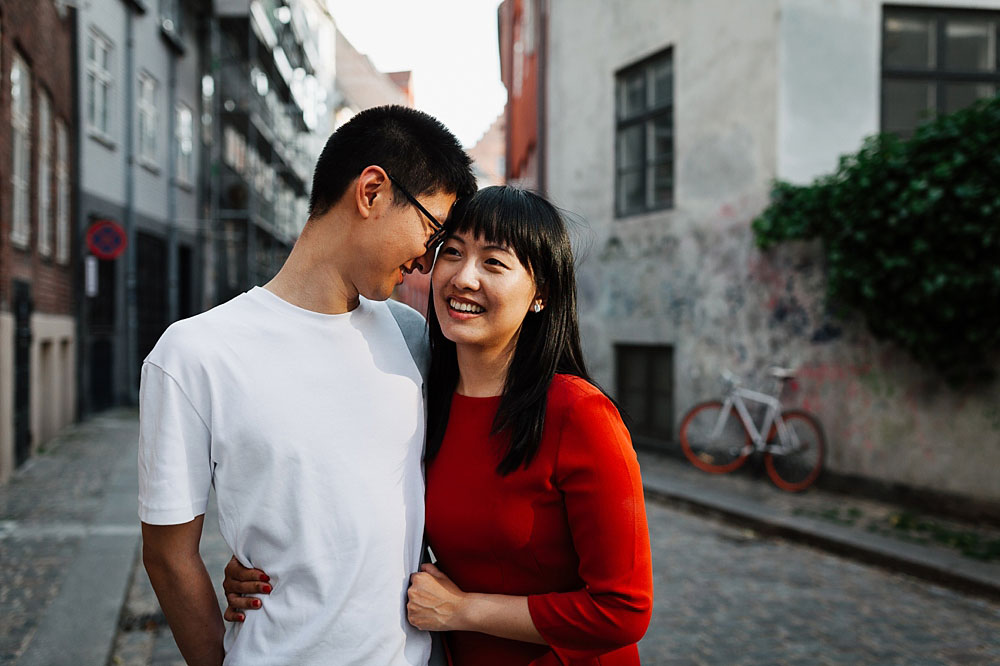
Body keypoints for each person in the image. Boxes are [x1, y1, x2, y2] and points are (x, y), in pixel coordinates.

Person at [225, 186, 654, 664]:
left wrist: (464, 610)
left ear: (541, 294)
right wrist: (272, 567)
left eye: (494, 262)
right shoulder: (423, 397)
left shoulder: (578, 413)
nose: (463, 277)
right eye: (452, 252)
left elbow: (623, 610)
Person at [137, 105, 476, 666]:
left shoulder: (413, 334)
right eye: (432, 231)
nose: (427, 262)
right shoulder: (195, 354)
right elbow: (169, 557)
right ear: (371, 192)